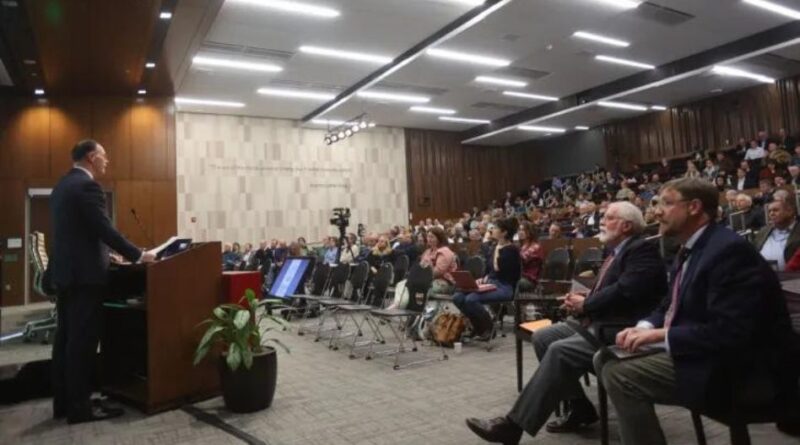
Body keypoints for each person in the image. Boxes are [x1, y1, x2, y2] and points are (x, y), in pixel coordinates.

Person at [596, 177, 796, 445]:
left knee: (620, 375)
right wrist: (644, 327)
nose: (657, 212)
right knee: (604, 358)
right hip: (706, 350)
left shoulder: (728, 251)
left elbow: (732, 332)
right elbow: (669, 304)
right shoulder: (691, 248)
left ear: (694, 207)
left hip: (740, 367)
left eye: (666, 203)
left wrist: (661, 336)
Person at [465, 203, 667, 444]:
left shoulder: (641, 249)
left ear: (626, 225)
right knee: (543, 336)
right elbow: (611, 289)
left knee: (560, 350)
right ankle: (579, 407)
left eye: (609, 217)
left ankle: (512, 426)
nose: (602, 221)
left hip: (621, 327)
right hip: (599, 319)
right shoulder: (615, 251)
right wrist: (585, 297)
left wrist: (587, 304)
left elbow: (626, 290)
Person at [49, 139, 156, 424]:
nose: (107, 161)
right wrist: (138, 254)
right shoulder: (87, 186)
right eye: (104, 156)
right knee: (82, 343)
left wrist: (107, 255)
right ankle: (80, 408)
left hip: (66, 275)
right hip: (85, 277)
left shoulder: (61, 187)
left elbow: (77, 233)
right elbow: (103, 229)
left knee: (65, 340)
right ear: (92, 157)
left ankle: (64, 403)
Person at [453, 218, 521, 341]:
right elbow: (490, 270)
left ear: (504, 232)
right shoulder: (495, 247)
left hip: (505, 287)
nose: (492, 230)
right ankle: (478, 327)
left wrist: (498, 250)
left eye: (495, 228)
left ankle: (489, 329)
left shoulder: (512, 250)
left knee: (471, 299)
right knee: (458, 297)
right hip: (490, 284)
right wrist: (482, 278)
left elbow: (500, 269)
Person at [754, 197, 800, 271]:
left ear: (790, 212)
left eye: (775, 210)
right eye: (769, 211)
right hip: (764, 274)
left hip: (792, 275)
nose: (771, 214)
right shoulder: (763, 231)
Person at [517, 221, 543, 291]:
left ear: (530, 232)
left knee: (510, 281)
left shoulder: (536, 247)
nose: (520, 232)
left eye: (523, 230)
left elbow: (522, 260)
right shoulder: (520, 247)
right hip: (519, 276)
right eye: (519, 230)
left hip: (529, 280)